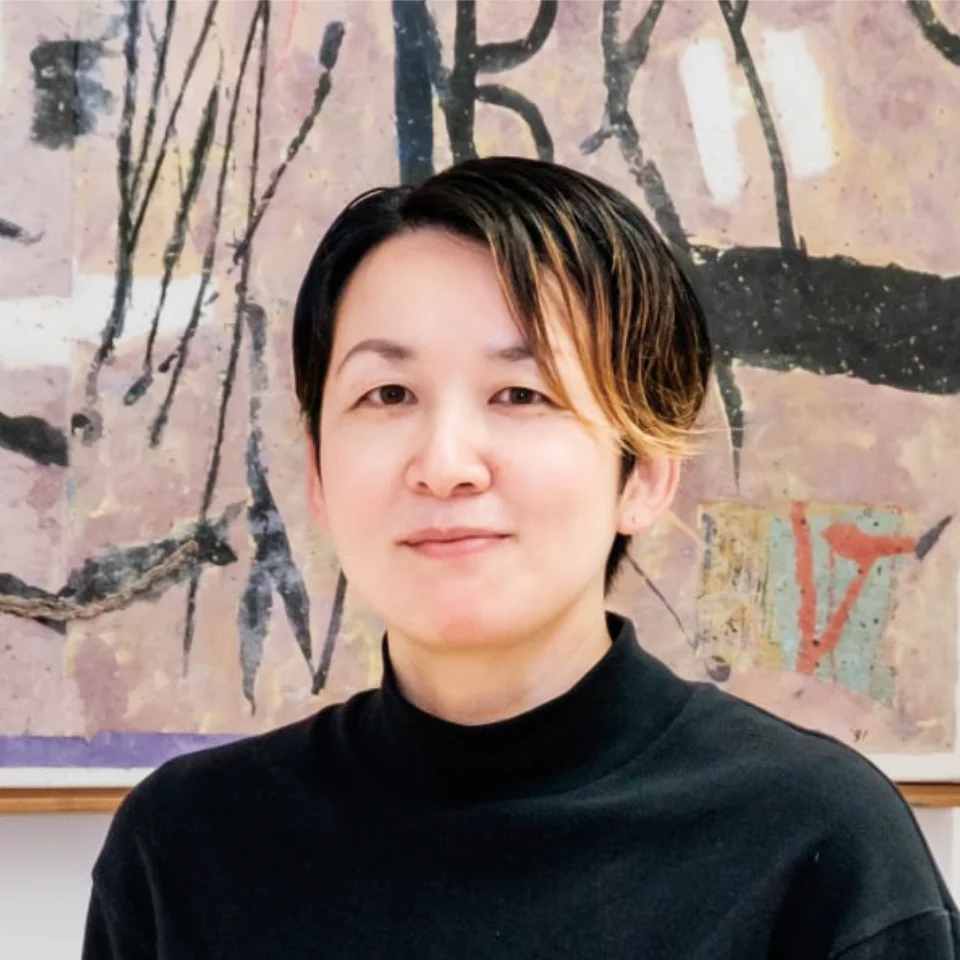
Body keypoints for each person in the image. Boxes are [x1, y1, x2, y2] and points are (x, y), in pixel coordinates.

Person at [82, 157, 959, 959]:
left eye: (520, 393)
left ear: (645, 473)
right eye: (388, 393)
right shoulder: (187, 846)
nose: (445, 464)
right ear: (316, 471)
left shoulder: (820, 844)